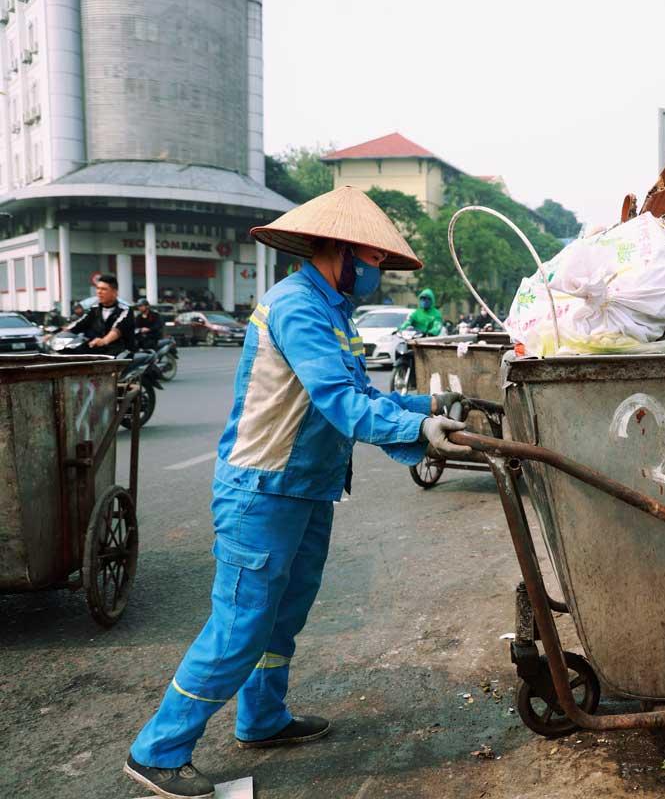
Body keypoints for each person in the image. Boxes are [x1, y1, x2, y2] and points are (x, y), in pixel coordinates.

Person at [124, 186, 471, 799]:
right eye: (371, 260)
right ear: (337, 249)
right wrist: (417, 430)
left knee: (283, 617)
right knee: (240, 625)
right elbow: (339, 403)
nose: (376, 273)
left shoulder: (332, 310)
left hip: (307, 489)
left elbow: (360, 393)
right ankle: (158, 749)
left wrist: (427, 406)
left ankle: (261, 719)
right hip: (261, 490)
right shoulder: (297, 307)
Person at [62, 274, 134, 355]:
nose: (99, 292)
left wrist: (104, 341)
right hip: (98, 351)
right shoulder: (94, 309)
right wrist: (60, 334)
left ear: (114, 292)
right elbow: (79, 324)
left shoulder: (125, 310)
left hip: (120, 353)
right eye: (98, 288)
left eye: (104, 289)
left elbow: (117, 329)